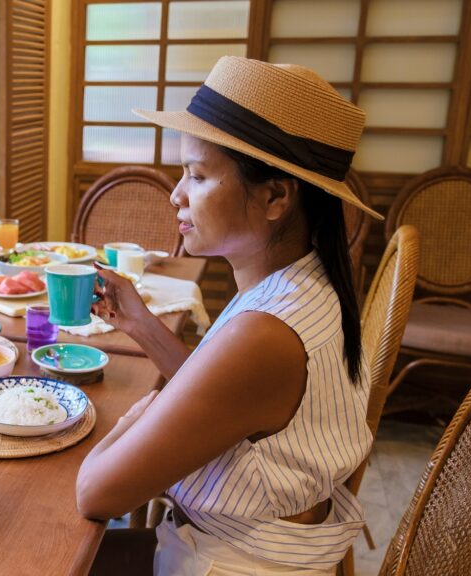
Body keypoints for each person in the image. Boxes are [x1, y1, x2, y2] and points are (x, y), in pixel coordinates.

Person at [76, 56, 383, 575]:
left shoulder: (265, 335)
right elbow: (225, 392)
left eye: (196, 175)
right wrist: (142, 325)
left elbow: (96, 493)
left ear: (275, 196)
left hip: (221, 561)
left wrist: (138, 413)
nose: (176, 194)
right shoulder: (304, 284)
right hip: (254, 545)